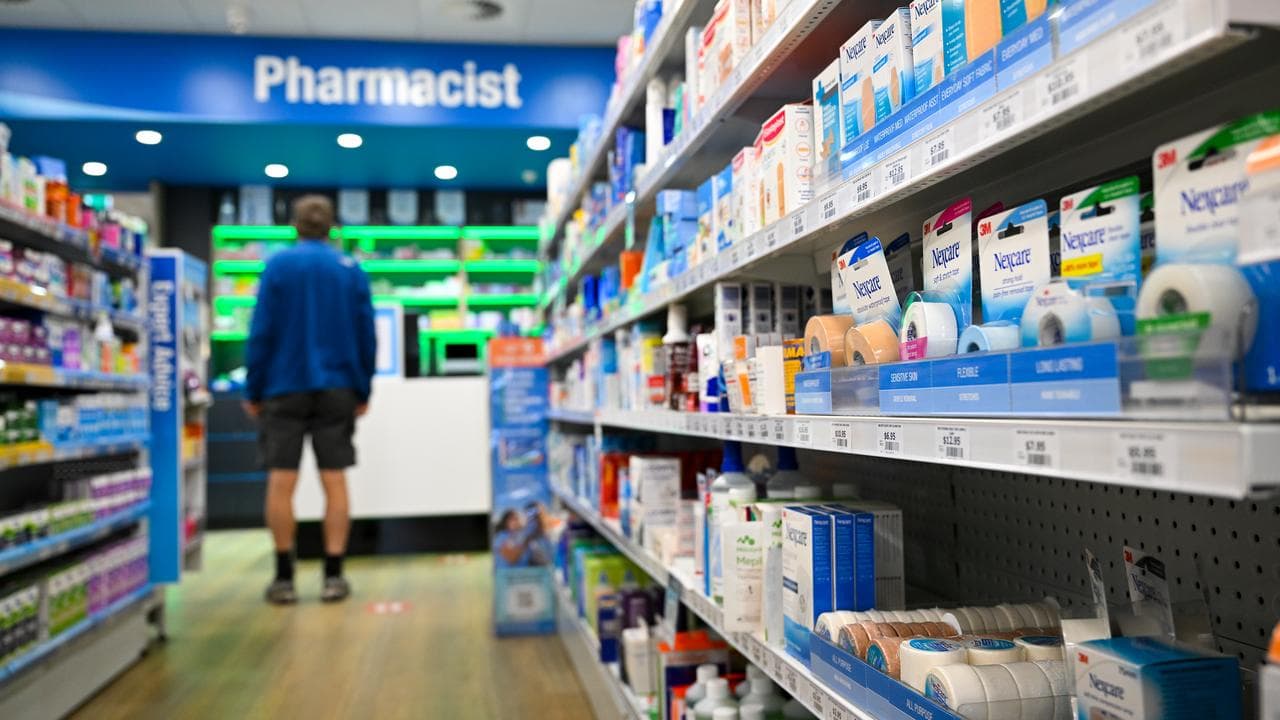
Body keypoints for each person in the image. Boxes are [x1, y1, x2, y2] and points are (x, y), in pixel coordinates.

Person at [244, 195, 376, 604]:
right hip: (337, 387)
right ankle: (333, 576)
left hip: (283, 387)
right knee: (334, 480)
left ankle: (284, 577)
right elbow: (366, 334)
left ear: (294, 225)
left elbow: (261, 332)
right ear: (333, 226)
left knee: (281, 480)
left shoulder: (277, 267)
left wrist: (253, 387)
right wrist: (363, 386)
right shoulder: (350, 270)